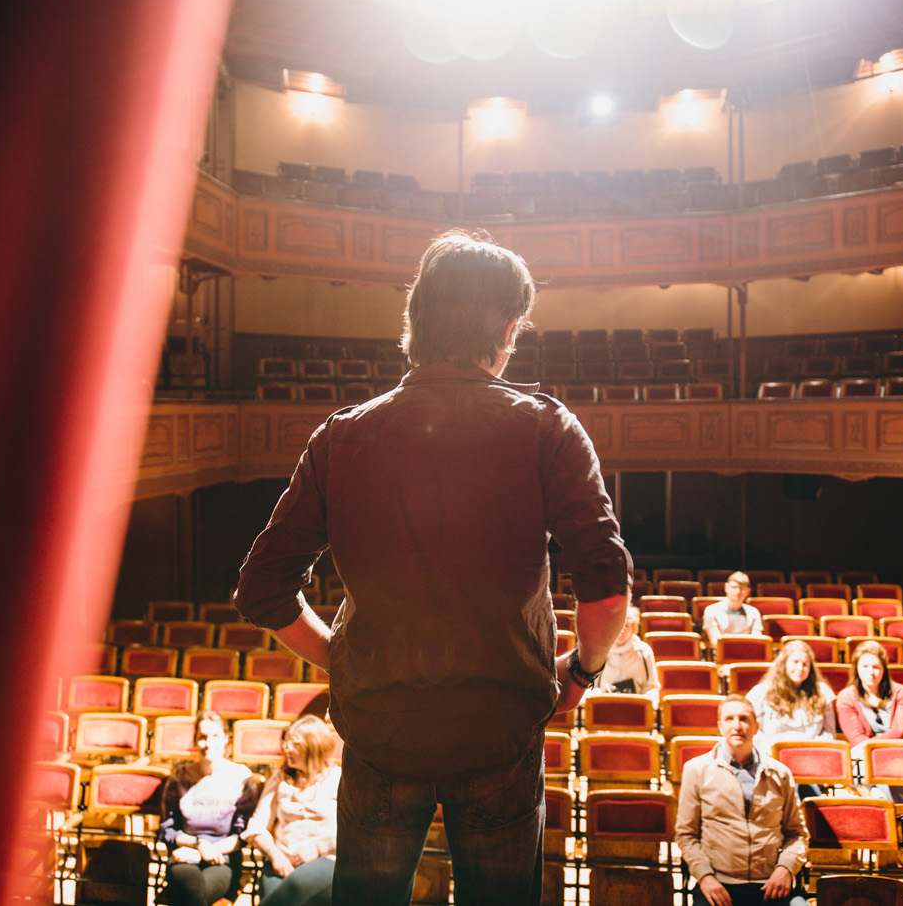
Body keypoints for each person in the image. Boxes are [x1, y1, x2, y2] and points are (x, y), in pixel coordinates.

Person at [234, 230, 632, 906]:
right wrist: (583, 670)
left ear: (415, 322)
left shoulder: (343, 435)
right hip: (499, 732)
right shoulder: (546, 428)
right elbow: (604, 584)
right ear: (508, 329)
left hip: (381, 732)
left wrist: (339, 660)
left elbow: (262, 588)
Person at [676, 694, 808, 906]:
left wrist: (785, 869)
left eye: (744, 719)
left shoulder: (779, 773)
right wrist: (705, 877)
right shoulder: (697, 770)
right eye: (730, 719)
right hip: (719, 885)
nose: (737, 726)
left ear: (756, 726)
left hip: (770, 885)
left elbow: (797, 834)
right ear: (720, 726)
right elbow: (686, 835)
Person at [156, 712, 263, 906]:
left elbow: (242, 835)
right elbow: (167, 830)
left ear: (226, 740)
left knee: (192, 895)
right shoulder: (179, 778)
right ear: (195, 741)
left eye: (215, 737)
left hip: (223, 858)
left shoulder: (242, 778)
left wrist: (204, 851)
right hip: (184, 855)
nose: (208, 743)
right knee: (190, 886)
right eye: (202, 737)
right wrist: (198, 845)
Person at [242, 716, 342, 906]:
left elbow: (354, 833)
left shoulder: (338, 779)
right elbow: (257, 826)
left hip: (327, 859)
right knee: (272, 891)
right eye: (285, 743)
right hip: (281, 860)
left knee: (291, 890)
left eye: (295, 744)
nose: (286, 748)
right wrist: (275, 855)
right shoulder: (280, 778)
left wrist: (318, 848)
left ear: (315, 746)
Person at [834, 640, 903, 801]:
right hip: (863, 757)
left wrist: (874, 750)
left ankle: (880, 798)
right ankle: (879, 800)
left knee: (886, 770)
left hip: (897, 752)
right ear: (856, 669)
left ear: (884, 669)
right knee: (861, 764)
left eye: (876, 667)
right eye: (865, 667)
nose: (871, 672)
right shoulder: (846, 697)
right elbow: (856, 739)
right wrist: (872, 752)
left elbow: (900, 731)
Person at [745, 639, 835, 756]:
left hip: (812, 755)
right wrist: (770, 750)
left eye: (805, 664)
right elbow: (752, 731)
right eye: (795, 662)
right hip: (771, 755)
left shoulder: (822, 692)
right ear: (784, 664)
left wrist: (814, 749)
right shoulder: (761, 692)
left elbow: (829, 732)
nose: (800, 668)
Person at [594, 604, 659, 699]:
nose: (621, 631)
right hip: (605, 704)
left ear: (633, 629)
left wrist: (649, 701)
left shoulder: (644, 651)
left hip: (636, 705)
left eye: (626, 626)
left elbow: (652, 687)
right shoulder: (599, 651)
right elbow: (590, 687)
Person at [702, 572, 763, 645]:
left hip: (748, 652)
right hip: (722, 653)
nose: (738, 592)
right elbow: (715, 643)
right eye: (734, 587)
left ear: (748, 591)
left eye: (742, 588)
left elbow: (757, 641)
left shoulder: (754, 612)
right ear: (726, 587)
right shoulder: (711, 610)